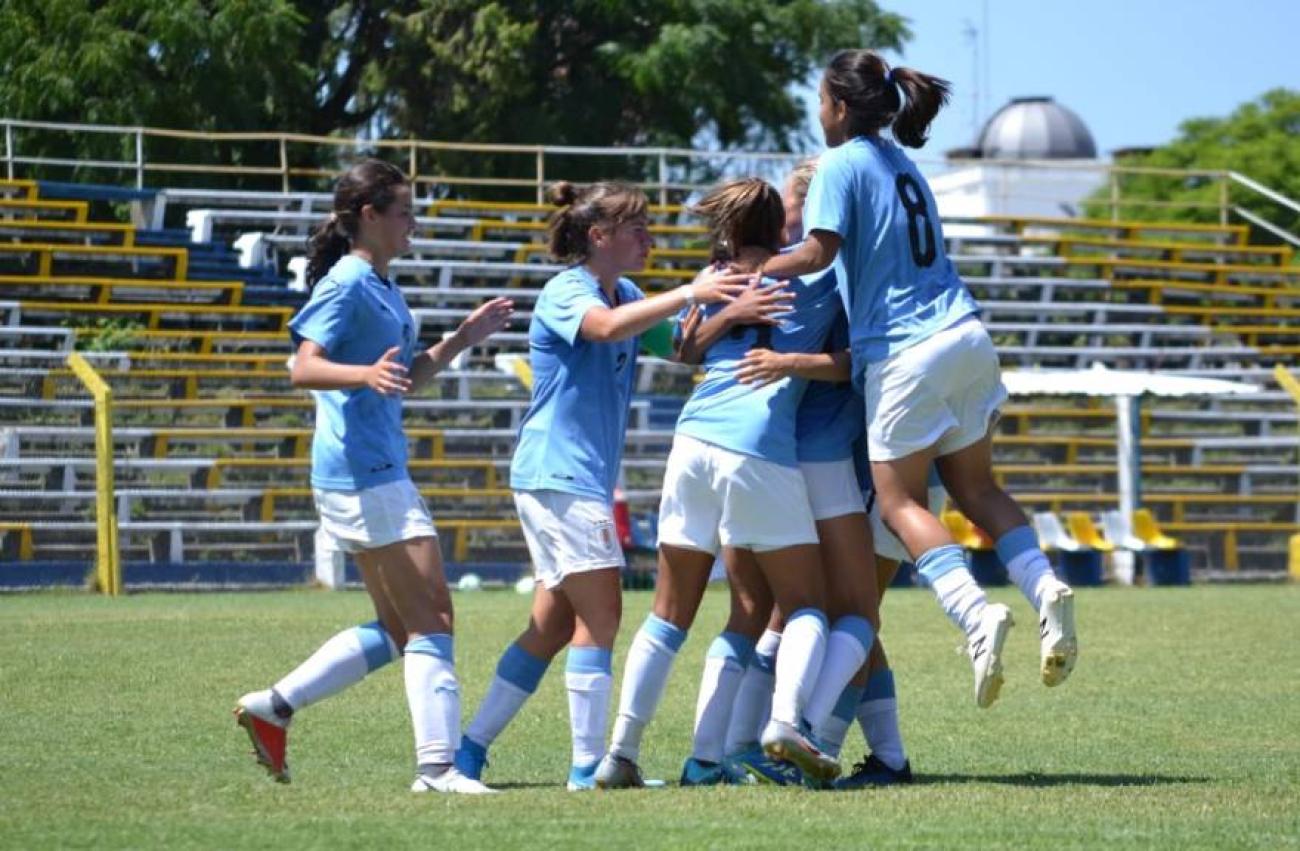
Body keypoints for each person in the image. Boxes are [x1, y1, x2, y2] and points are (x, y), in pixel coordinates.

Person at [757, 49, 1077, 709]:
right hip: (968, 333)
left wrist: (754, 273)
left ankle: (974, 614)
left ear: (840, 107)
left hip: (906, 349)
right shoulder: (903, 162)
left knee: (901, 504)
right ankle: (1045, 586)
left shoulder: (840, 164)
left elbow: (818, 252)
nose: (817, 111)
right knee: (977, 488)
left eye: (820, 100)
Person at [452, 181, 752, 791]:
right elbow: (607, 328)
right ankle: (588, 768)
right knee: (604, 614)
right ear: (599, 236)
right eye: (636, 228)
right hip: (559, 477)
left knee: (553, 624)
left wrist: (729, 308)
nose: (648, 237)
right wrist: (690, 291)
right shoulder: (569, 290)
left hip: (565, 479)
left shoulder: (630, 293)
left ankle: (468, 753)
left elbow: (684, 351)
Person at [234, 159, 514, 794]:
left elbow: (403, 379)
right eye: (404, 211)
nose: (414, 221)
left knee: (398, 628)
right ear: (369, 217)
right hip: (365, 472)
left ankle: (274, 706)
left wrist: (461, 339)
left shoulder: (382, 284)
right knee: (433, 620)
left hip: (369, 469)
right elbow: (303, 368)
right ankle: (437, 769)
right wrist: (362, 376)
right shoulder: (350, 282)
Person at [595, 178, 852, 789]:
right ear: (780, 227)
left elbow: (683, 349)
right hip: (759, 449)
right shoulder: (816, 282)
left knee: (669, 615)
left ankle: (625, 754)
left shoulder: (711, 282)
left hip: (692, 443)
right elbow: (850, 363)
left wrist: (727, 309)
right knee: (806, 604)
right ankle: (786, 722)